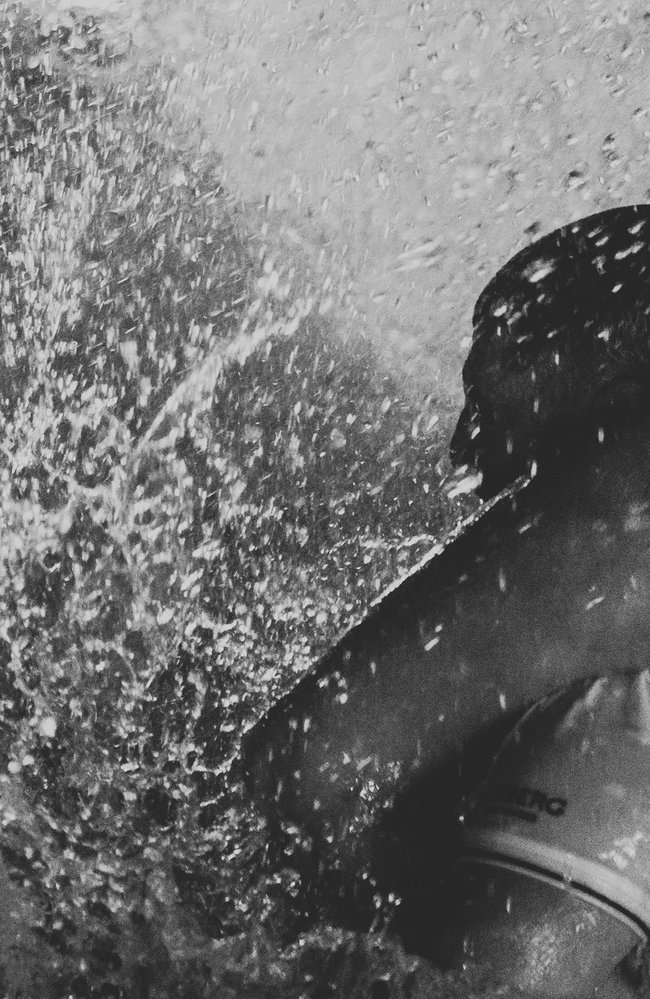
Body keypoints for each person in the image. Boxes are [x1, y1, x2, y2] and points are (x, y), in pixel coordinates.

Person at [242, 207, 650, 996]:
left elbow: (303, 767)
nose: (465, 448)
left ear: (612, 374)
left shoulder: (630, 502)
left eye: (488, 398)